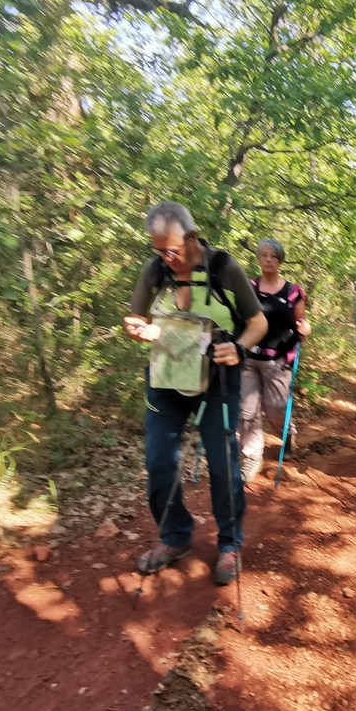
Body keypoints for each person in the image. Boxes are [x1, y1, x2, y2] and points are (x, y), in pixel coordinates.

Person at [123, 201, 268, 585]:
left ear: (192, 237)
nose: (166, 258)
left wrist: (238, 348)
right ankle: (174, 537)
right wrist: (136, 328)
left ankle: (230, 543)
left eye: (172, 249)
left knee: (221, 465)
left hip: (217, 378)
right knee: (158, 462)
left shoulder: (224, 268)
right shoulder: (155, 271)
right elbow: (137, 318)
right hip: (166, 377)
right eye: (158, 250)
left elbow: (257, 323)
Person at [238, 239, 311, 482]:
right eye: (264, 255)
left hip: (278, 360)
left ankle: (287, 434)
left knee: (276, 409)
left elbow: (301, 322)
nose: (268, 260)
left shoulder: (292, 291)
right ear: (258, 258)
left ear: (280, 260)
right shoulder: (249, 287)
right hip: (249, 357)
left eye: (273, 256)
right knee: (246, 411)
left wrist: (305, 328)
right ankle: (252, 456)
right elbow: (240, 317)